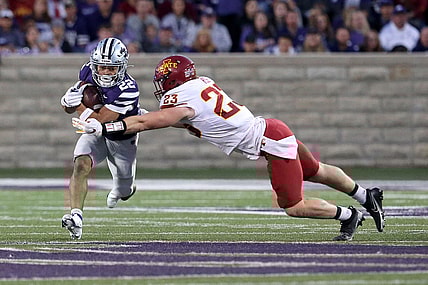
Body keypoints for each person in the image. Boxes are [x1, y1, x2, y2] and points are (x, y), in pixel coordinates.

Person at [73, 54, 386, 241]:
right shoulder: (201, 84)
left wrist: (106, 126)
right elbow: (180, 120)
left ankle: (348, 215)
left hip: (270, 142)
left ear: (172, 80)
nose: (161, 87)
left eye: (163, 81)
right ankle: (365, 195)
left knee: (292, 205)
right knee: (315, 170)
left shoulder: (182, 100)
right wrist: (138, 116)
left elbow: (151, 123)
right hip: (273, 129)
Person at [60, 37, 142, 239]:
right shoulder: (87, 71)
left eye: (111, 68)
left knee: (124, 188)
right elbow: (70, 107)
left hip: (122, 136)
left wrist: (78, 106)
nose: (105, 72)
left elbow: (101, 120)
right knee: (80, 165)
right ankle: (76, 216)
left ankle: (125, 189)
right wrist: (67, 101)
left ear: (121, 67)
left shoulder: (128, 89)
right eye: (101, 67)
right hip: (94, 131)